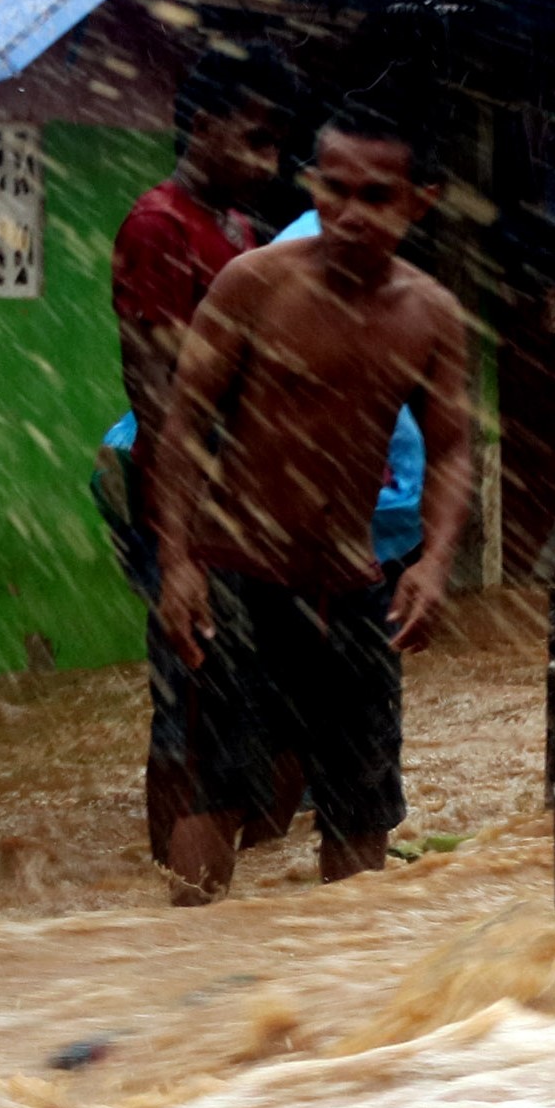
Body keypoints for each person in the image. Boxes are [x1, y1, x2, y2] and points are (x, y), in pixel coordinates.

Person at [151, 97, 474, 904]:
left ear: (419, 200)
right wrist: (177, 564)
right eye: (331, 190)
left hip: (355, 585)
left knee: (361, 813)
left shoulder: (430, 315)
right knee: (214, 794)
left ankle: (351, 1009)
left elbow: (452, 446)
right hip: (235, 579)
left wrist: (434, 563)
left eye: (375, 197)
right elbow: (183, 422)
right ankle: (177, 980)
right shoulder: (253, 283)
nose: (347, 214)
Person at [110, 44, 299, 862]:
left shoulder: (241, 228)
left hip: (252, 510)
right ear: (203, 125)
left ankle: (228, 911)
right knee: (188, 705)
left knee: (255, 707)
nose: (271, 161)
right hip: (189, 508)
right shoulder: (159, 226)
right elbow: (157, 394)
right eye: (255, 139)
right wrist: (176, 549)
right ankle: (174, 922)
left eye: (278, 142)